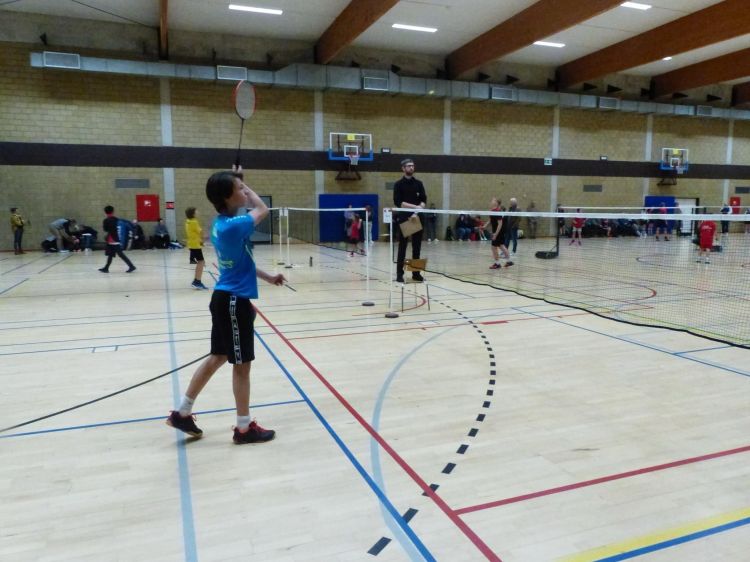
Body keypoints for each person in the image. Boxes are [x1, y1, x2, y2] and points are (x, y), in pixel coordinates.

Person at [166, 167, 286, 444]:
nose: (244, 191)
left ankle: (182, 413)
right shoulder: (235, 225)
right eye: (239, 188)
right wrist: (245, 183)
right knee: (242, 365)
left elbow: (240, 263)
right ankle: (243, 429)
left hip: (224, 298)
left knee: (217, 357)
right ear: (227, 196)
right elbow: (263, 209)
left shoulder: (221, 224)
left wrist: (268, 277)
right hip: (233, 302)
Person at [393, 158, 426, 283]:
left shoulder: (419, 184)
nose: (411, 167)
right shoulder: (398, 184)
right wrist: (414, 207)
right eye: (408, 166)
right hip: (405, 218)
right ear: (403, 168)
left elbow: (423, 200)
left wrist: (419, 209)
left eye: (412, 165)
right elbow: (398, 202)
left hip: (417, 218)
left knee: (417, 247)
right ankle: (399, 274)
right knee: (402, 247)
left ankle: (416, 273)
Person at [99, 205, 136, 273]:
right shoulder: (116, 219)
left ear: (105, 212)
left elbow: (105, 229)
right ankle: (106, 268)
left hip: (111, 239)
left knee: (119, 254)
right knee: (111, 254)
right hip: (115, 238)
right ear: (113, 211)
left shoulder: (106, 220)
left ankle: (131, 266)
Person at [185, 207, 208, 289]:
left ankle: (196, 280)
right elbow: (201, 232)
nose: (198, 212)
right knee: (201, 262)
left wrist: (201, 241)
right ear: (193, 214)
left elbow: (194, 234)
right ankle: (197, 281)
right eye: (196, 211)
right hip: (195, 245)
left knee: (200, 262)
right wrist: (206, 237)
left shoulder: (188, 221)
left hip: (192, 244)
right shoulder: (194, 222)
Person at [489, 197, 511, 269]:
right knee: (501, 246)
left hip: (498, 232)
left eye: (493, 200)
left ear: (496, 203)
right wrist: (484, 226)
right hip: (497, 231)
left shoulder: (497, 211)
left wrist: (495, 234)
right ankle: (509, 261)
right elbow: (491, 220)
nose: (491, 201)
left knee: (493, 247)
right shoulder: (493, 210)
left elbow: (500, 223)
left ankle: (497, 264)